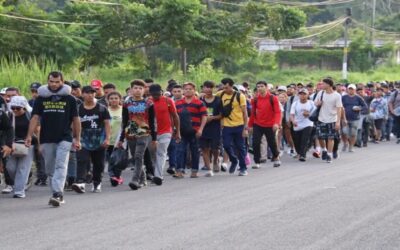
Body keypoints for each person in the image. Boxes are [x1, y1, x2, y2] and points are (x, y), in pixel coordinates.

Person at [25, 71, 81, 207]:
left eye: (57, 82)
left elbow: (76, 119)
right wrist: (28, 136)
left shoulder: (70, 99)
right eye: (51, 81)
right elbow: (35, 118)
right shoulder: (41, 98)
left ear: (62, 82)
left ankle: (57, 194)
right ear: (48, 81)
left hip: (64, 137)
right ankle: (57, 192)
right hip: (46, 137)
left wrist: (77, 138)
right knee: (50, 168)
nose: (54, 84)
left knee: (61, 165)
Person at [117, 79, 156, 190]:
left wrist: (154, 138)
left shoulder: (148, 103)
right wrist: (121, 138)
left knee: (139, 156)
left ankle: (135, 180)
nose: (138, 90)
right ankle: (143, 179)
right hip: (131, 132)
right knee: (135, 157)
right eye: (135, 88)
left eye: (140, 88)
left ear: (144, 90)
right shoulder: (126, 103)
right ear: (131, 90)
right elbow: (124, 121)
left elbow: (152, 121)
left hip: (144, 132)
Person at [71, 86, 111, 194]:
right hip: (83, 137)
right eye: (88, 93)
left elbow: (107, 124)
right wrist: (75, 138)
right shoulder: (78, 109)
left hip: (98, 138)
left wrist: (107, 139)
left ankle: (97, 183)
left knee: (99, 163)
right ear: (83, 94)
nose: (90, 95)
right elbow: (73, 124)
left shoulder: (102, 108)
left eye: (92, 93)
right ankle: (80, 183)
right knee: (81, 159)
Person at [148, 84, 181, 185]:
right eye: (154, 95)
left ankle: (158, 176)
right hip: (150, 132)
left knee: (161, 153)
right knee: (151, 154)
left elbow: (175, 116)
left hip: (166, 131)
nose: (156, 97)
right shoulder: (148, 102)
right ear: (150, 94)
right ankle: (151, 173)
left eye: (158, 94)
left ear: (161, 92)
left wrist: (178, 132)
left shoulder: (168, 101)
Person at [174, 82, 207, 178]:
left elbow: (204, 116)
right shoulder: (178, 103)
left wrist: (200, 130)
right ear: (183, 91)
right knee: (180, 151)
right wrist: (175, 130)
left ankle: (194, 171)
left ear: (194, 90)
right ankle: (180, 171)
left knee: (195, 151)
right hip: (181, 131)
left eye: (190, 89)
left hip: (195, 131)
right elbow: (174, 117)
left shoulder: (199, 103)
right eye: (186, 89)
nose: (188, 91)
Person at [218, 78, 248, 176]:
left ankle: (243, 168)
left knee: (240, 147)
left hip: (239, 125)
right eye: (223, 87)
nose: (224, 89)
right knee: (226, 145)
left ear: (231, 85)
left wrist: (245, 128)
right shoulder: (221, 94)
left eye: (226, 87)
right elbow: (209, 97)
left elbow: (245, 113)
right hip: (227, 126)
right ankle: (233, 160)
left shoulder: (240, 96)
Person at [6, 96, 35, 198]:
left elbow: (37, 129)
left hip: (27, 145)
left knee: (22, 168)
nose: (15, 110)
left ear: (24, 107)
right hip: (11, 145)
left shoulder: (30, 116)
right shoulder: (8, 116)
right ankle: (22, 182)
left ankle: (19, 191)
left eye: (18, 108)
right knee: (10, 167)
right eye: (13, 107)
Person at [249, 81, 282, 169]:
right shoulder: (255, 99)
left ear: (266, 87)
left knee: (272, 143)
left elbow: (277, 112)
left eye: (262, 86)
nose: (260, 88)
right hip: (258, 124)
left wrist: (276, 123)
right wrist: (250, 125)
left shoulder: (273, 98)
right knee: (255, 143)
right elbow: (252, 113)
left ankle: (276, 157)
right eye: (258, 87)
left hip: (270, 124)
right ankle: (257, 162)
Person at [314, 78, 343, 164]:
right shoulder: (321, 93)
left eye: (323, 84)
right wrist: (318, 103)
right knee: (320, 137)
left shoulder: (337, 96)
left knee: (331, 138)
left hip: (332, 120)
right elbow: (315, 103)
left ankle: (329, 155)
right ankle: (324, 150)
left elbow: (339, 109)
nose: (321, 85)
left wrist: (338, 122)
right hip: (321, 118)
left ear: (329, 85)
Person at [199, 81, 222, 176]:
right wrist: (204, 119)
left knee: (215, 148)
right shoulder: (200, 100)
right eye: (206, 87)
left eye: (210, 87)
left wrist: (212, 118)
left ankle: (216, 161)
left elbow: (222, 115)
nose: (208, 89)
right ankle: (209, 169)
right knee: (204, 148)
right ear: (202, 88)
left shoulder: (218, 100)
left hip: (215, 127)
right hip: (203, 127)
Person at [290, 89, 316, 161]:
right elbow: (292, 114)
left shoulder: (311, 103)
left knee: (305, 139)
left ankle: (303, 155)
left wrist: (308, 114)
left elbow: (315, 113)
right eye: (301, 94)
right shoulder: (295, 103)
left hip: (308, 123)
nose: (302, 95)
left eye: (304, 94)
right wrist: (293, 121)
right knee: (297, 140)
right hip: (297, 124)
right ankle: (299, 152)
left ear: (307, 95)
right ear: (298, 95)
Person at [341, 84, 367, 152]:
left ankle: (351, 147)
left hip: (355, 118)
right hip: (345, 118)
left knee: (353, 133)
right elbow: (339, 106)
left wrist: (359, 108)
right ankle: (345, 143)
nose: (350, 90)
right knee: (344, 132)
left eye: (352, 89)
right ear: (347, 89)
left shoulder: (358, 98)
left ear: (355, 90)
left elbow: (365, 107)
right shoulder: (343, 97)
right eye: (349, 89)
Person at [107, 92, 124, 186]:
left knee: (118, 160)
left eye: (116, 98)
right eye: (111, 98)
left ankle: (117, 176)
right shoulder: (105, 110)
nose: (114, 100)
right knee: (110, 159)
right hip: (108, 139)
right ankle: (113, 176)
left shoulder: (123, 110)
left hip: (120, 139)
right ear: (108, 100)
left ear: (120, 99)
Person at [167, 84, 183, 174]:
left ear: (182, 91)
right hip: (172, 127)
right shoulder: (169, 101)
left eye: (179, 91)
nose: (177, 93)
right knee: (172, 146)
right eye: (175, 91)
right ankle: (172, 165)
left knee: (182, 148)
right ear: (172, 92)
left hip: (185, 127)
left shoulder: (186, 101)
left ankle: (182, 165)